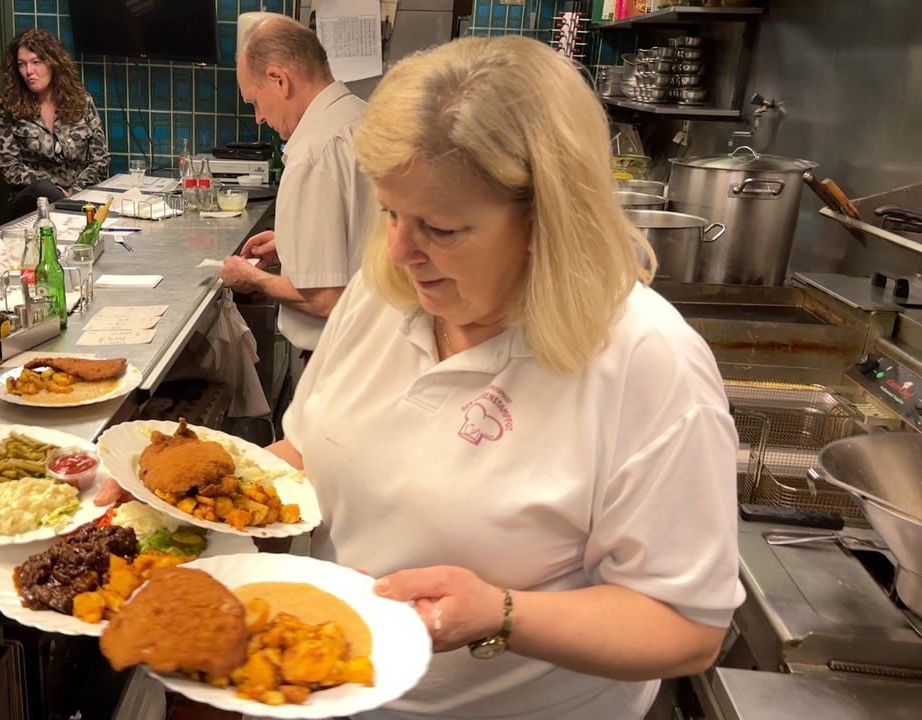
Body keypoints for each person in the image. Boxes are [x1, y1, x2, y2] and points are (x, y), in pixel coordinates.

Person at [269, 37, 743, 719]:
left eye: (441, 227)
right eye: (391, 214)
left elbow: (687, 629)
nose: (401, 251)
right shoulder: (387, 292)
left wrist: (502, 613)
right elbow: (306, 452)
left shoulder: (646, 360)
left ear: (546, 219)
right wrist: (171, 497)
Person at [218, 16, 378, 354]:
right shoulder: (362, 116)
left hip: (337, 356)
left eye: (255, 102)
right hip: (375, 344)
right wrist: (292, 245)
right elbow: (360, 232)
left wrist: (251, 278)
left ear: (279, 79)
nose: (258, 118)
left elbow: (325, 299)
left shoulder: (312, 154)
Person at [0, 28, 109, 218]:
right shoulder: (7, 106)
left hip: (79, 198)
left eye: (36, 62)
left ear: (53, 63)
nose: (29, 71)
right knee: (43, 188)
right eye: (22, 64)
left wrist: (71, 193)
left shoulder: (81, 101)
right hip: (32, 203)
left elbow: (100, 159)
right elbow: (8, 165)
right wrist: (52, 189)